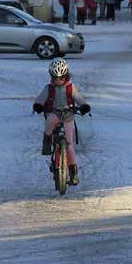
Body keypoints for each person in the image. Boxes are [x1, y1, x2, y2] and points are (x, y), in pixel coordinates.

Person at [33, 58, 91, 188]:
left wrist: (84, 105)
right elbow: (41, 98)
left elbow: (79, 98)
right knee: (50, 121)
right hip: (53, 113)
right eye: (56, 78)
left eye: (61, 78)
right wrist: (38, 105)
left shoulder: (71, 88)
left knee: (69, 144)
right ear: (51, 77)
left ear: (66, 76)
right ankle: (47, 140)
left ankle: (73, 173)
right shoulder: (48, 88)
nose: (59, 81)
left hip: (67, 116)